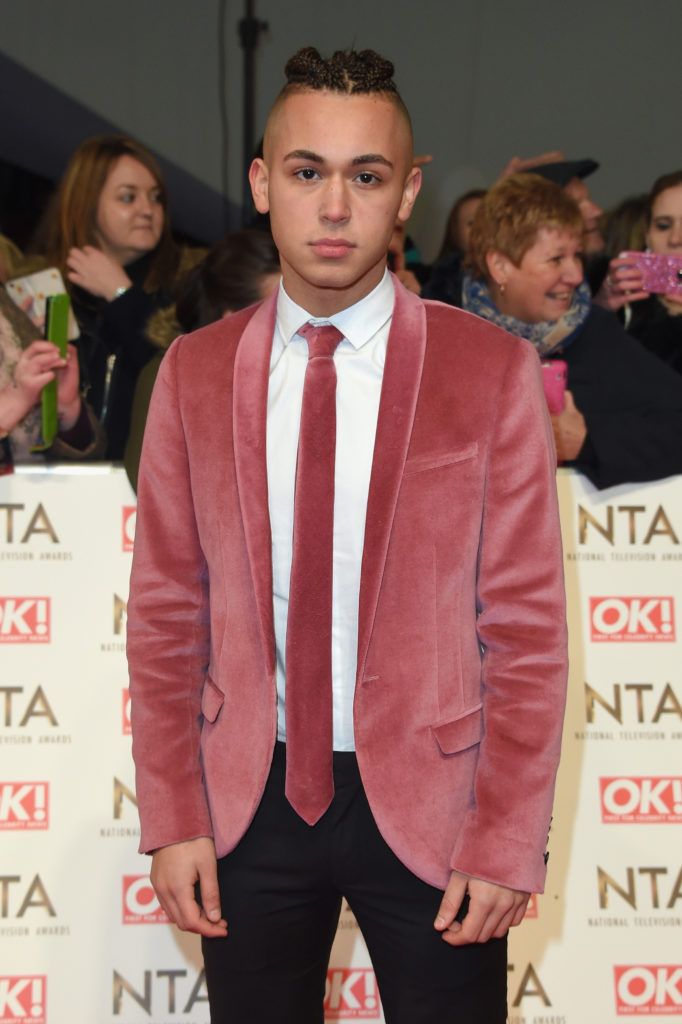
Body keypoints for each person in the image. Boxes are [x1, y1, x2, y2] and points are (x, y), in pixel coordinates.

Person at [127, 47, 567, 1024]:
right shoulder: (192, 375)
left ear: (405, 192)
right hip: (248, 801)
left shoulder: (488, 370)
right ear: (261, 182)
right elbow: (165, 616)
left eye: (364, 176)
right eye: (306, 172)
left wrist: (504, 837)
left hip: (437, 805)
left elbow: (526, 631)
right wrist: (173, 813)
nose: (334, 207)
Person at [458, 173, 682, 489]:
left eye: (576, 255)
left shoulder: (594, 333)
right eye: (556, 259)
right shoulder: (444, 335)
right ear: (500, 266)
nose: (576, 275)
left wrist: (588, 440)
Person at [35, 134, 203, 460]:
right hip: (57, 491)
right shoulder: (45, 289)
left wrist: (122, 296)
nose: (147, 210)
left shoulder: (188, 285)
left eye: (156, 198)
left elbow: (186, 382)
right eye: (128, 198)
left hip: (148, 490)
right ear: (86, 203)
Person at [123, 229, 280, 490]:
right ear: (233, 316)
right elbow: (150, 484)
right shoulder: (171, 377)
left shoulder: (310, 367)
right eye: (280, 309)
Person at [0, 288, 101, 468]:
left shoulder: (6, 302)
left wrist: (64, 409)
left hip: (39, 490)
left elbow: (88, 455)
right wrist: (12, 403)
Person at [599, 170, 682, 375]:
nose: (675, 238)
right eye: (663, 226)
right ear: (647, 236)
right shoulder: (624, 306)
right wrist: (600, 310)